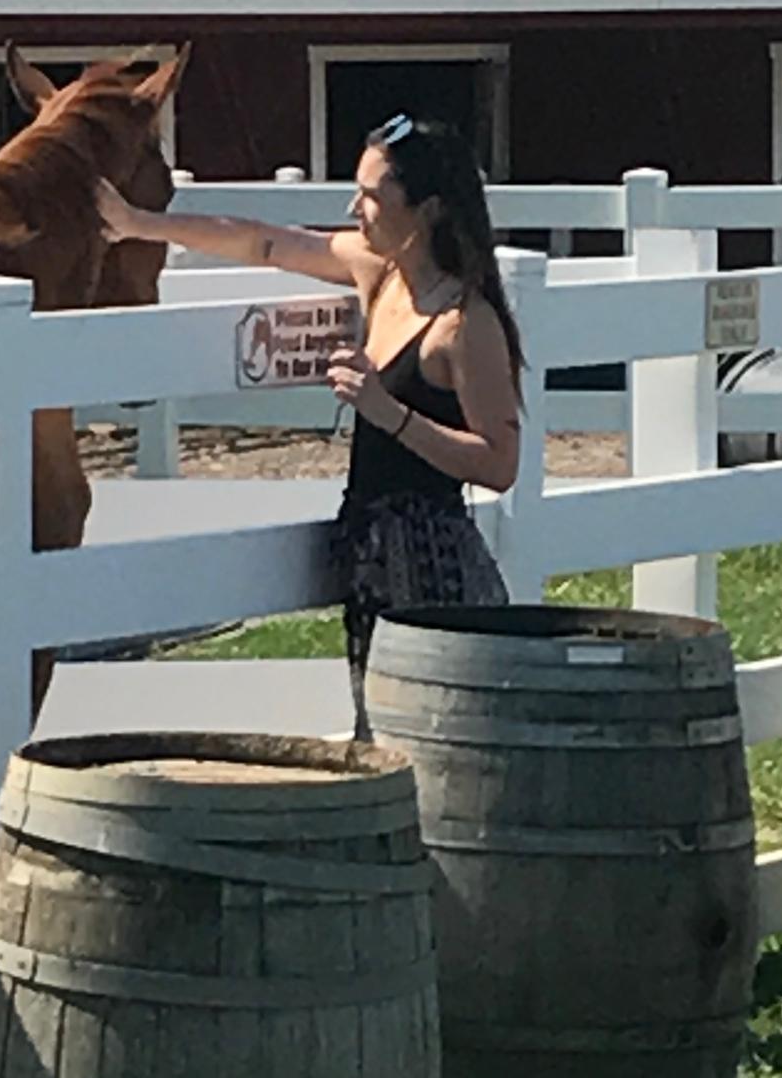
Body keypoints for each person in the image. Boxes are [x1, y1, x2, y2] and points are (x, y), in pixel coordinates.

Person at [97, 115, 521, 738]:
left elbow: (499, 463)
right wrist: (138, 223)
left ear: (428, 209)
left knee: (432, 738)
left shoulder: (465, 322)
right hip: (370, 552)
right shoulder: (380, 273)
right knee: (381, 733)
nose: (355, 209)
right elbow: (263, 243)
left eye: (371, 195)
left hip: (433, 563)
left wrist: (389, 413)